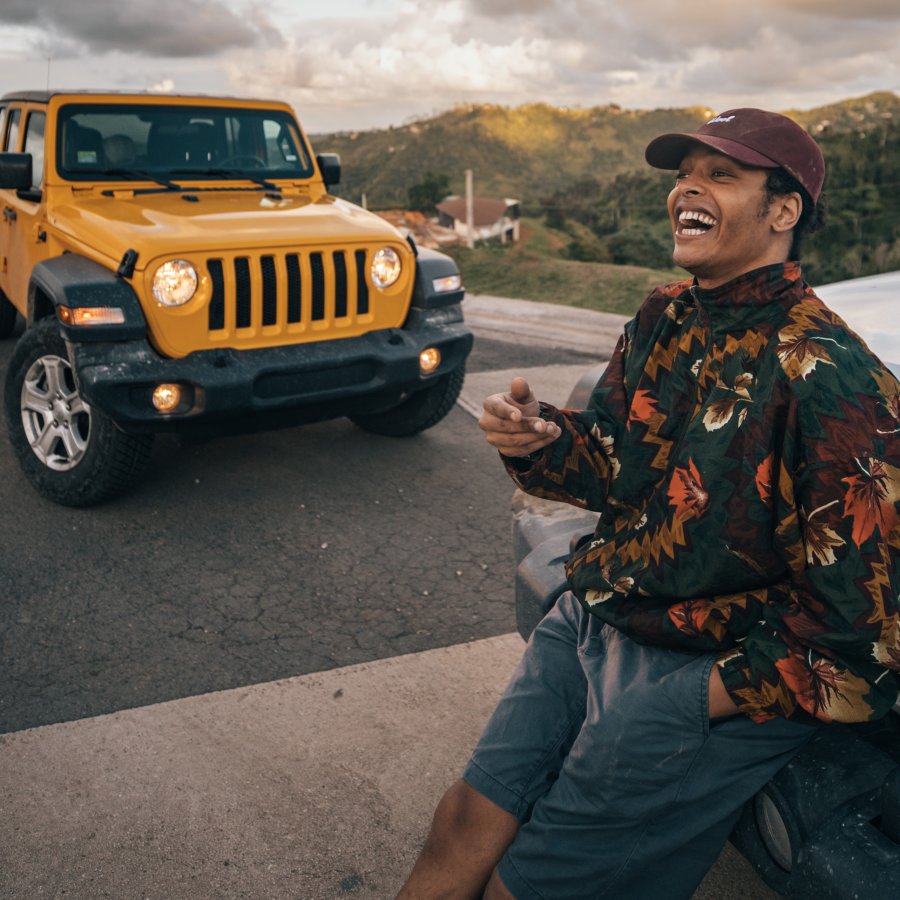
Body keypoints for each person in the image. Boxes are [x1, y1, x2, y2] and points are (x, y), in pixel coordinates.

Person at [397, 109, 900, 900]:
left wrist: (686, 703)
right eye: (682, 175)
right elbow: (612, 464)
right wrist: (538, 438)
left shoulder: (835, 379)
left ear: (783, 210)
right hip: (594, 614)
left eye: (721, 175)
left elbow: (863, 638)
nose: (688, 190)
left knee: (525, 888)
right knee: (461, 822)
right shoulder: (665, 315)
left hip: (699, 673)